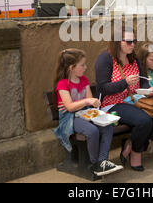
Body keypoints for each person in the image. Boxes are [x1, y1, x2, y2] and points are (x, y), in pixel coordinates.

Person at [95, 26, 153, 171]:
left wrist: (148, 90)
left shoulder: (134, 58)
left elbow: (143, 81)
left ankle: (131, 143)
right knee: (144, 121)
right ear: (118, 41)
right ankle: (136, 153)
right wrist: (124, 83)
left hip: (134, 99)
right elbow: (102, 88)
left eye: (134, 41)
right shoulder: (105, 59)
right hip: (112, 103)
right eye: (129, 41)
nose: (133, 45)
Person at [53, 48, 123, 176]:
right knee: (92, 131)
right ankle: (94, 163)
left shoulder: (84, 80)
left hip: (84, 115)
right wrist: (87, 101)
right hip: (70, 119)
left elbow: (90, 103)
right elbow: (69, 107)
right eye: (82, 65)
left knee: (107, 127)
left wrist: (94, 103)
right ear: (71, 67)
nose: (85, 67)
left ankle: (103, 161)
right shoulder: (63, 84)